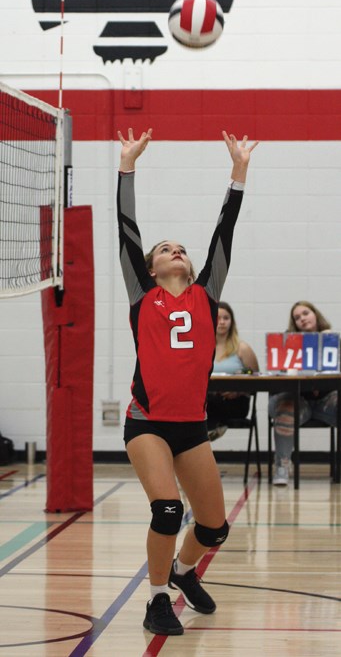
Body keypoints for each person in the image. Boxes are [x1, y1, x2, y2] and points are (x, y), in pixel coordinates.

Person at [116, 126, 258, 636]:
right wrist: (127, 166)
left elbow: (226, 229)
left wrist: (239, 171)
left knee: (215, 528)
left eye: (181, 247)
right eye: (165, 249)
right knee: (169, 509)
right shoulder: (142, 296)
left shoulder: (206, 294)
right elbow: (126, 229)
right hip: (147, 423)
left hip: (191, 426)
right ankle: (157, 598)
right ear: (151, 268)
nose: (175, 250)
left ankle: (182, 571)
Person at [269, 301, 338, 486]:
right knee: (286, 407)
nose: (302, 319)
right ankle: (282, 466)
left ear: (315, 314)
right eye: (297, 317)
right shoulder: (287, 342)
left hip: (326, 399)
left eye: (305, 313)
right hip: (299, 400)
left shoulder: (331, 339)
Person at [207, 301, 259, 441]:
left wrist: (239, 386)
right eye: (218, 318)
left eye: (226, 318)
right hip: (209, 399)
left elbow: (255, 374)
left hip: (235, 401)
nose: (222, 322)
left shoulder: (242, 348)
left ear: (232, 321)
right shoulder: (203, 348)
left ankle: (207, 432)